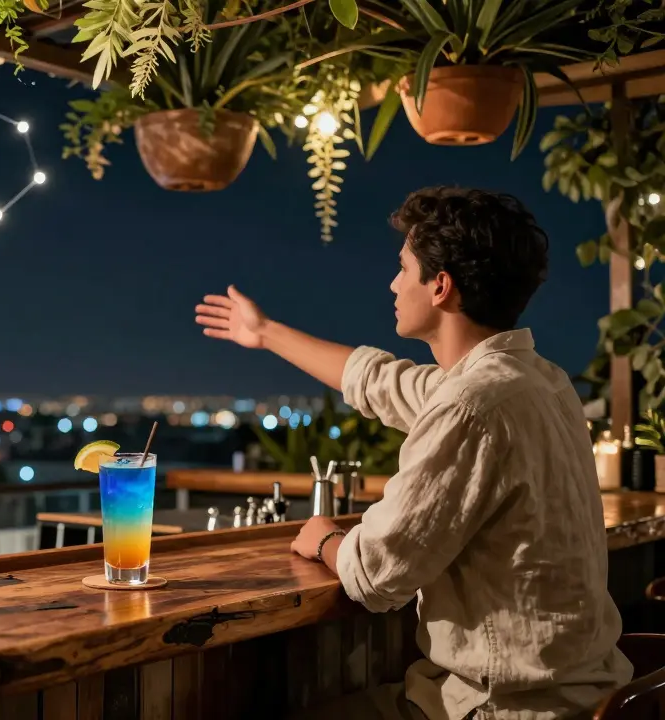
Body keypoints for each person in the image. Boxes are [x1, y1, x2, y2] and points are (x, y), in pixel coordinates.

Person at [194, 187, 631, 720]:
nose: (393, 283)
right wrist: (264, 332)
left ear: (441, 286)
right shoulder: (540, 381)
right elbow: (377, 381)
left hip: (504, 708)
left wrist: (324, 536)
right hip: (590, 695)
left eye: (403, 268)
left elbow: (376, 574)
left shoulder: (471, 405)